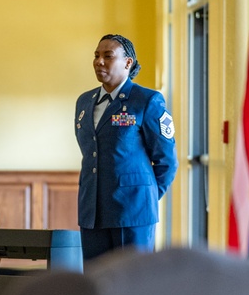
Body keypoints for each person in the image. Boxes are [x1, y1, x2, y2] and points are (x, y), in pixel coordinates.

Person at [75, 34, 178, 260]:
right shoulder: (84, 102)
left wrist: (144, 195)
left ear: (128, 62)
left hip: (133, 213)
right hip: (93, 212)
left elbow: (167, 161)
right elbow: (90, 152)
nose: (99, 61)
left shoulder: (147, 100)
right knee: (96, 284)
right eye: (96, 56)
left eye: (107, 56)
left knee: (132, 285)